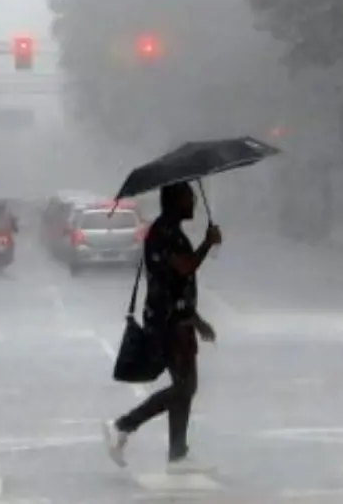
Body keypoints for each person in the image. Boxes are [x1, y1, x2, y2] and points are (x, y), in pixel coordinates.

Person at [102, 182, 222, 473]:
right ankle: (123, 425)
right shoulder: (162, 234)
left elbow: (179, 284)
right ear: (173, 202)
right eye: (187, 198)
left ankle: (178, 455)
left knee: (186, 386)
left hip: (179, 319)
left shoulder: (172, 232)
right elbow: (183, 268)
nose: (193, 203)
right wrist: (207, 243)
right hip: (167, 323)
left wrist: (196, 319)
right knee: (185, 386)